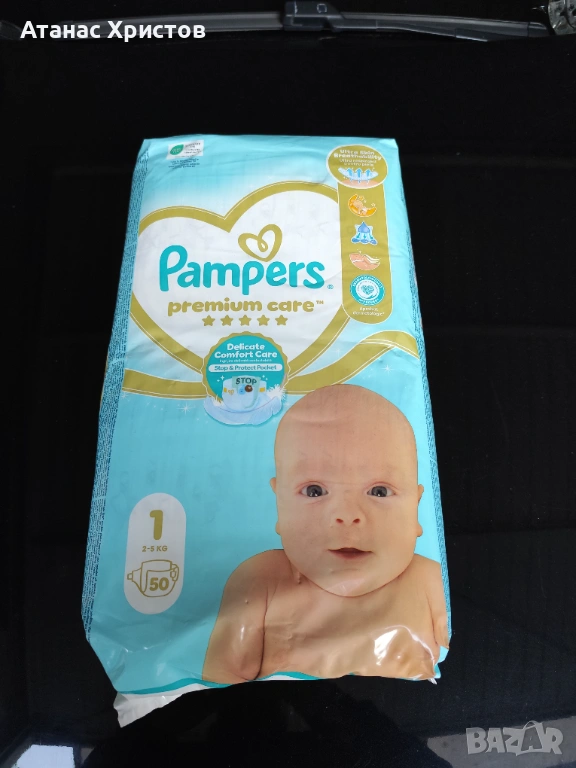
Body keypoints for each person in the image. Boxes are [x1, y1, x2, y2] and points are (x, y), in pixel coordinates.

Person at [203, 384, 448, 684]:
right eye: (314, 491)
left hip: (402, 705)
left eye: (379, 491)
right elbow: (220, 678)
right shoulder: (262, 581)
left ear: (417, 508)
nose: (347, 515)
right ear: (279, 502)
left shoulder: (427, 582)